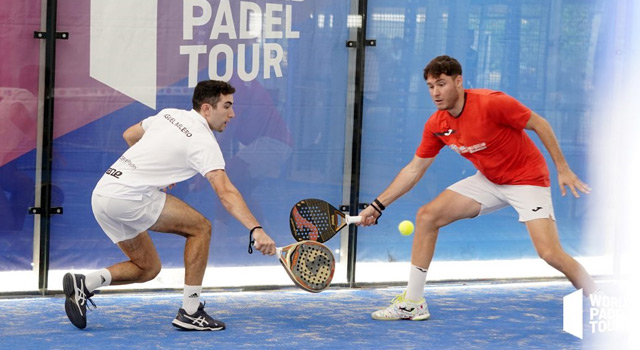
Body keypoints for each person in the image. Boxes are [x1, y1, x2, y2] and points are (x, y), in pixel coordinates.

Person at [357, 55, 596, 321]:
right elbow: (414, 170)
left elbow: (539, 124)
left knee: (550, 253)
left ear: (458, 82)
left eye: (442, 84)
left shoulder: (492, 103)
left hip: (527, 178)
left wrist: (562, 168)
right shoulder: (437, 124)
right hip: (489, 180)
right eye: (430, 86)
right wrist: (377, 207)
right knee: (427, 216)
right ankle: (413, 302)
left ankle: (601, 299)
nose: (436, 92)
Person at [63, 80, 276, 331]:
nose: (232, 113)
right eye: (227, 106)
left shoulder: (169, 115)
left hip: (103, 193)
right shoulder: (203, 141)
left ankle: (85, 283)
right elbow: (226, 192)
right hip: (129, 197)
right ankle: (191, 311)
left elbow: (129, 135)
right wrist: (256, 230)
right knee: (201, 228)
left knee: (147, 268)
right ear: (207, 109)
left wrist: (154, 172)